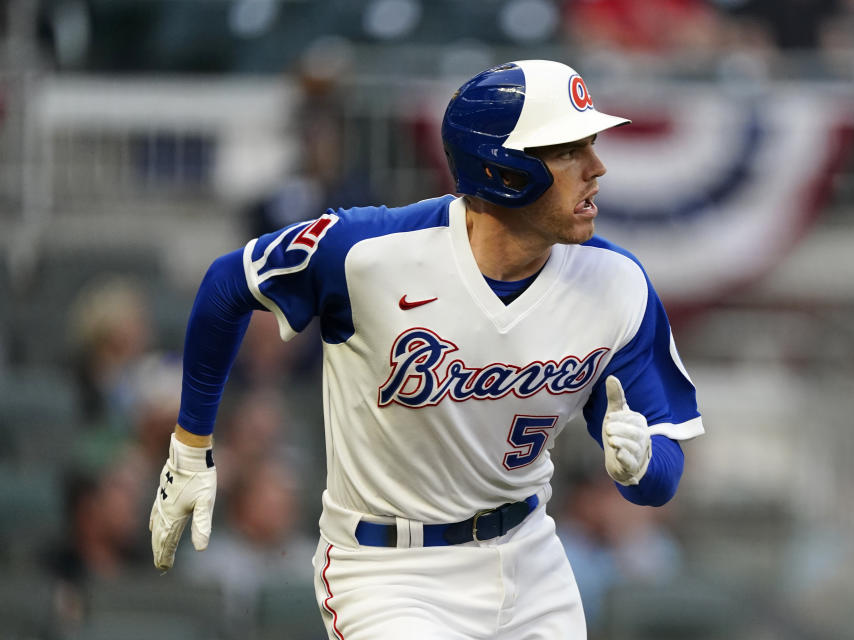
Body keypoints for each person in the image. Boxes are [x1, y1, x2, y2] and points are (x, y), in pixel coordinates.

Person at [149, 59, 704, 640]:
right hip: (388, 569)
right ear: (504, 169)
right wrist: (191, 446)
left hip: (530, 560)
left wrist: (640, 464)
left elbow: (662, 476)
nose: (597, 168)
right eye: (568, 150)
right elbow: (226, 285)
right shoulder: (369, 251)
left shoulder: (616, 285)